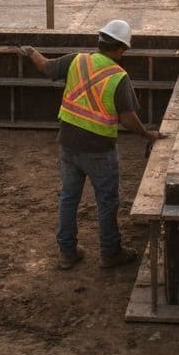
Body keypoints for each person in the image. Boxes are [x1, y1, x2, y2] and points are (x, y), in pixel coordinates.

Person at [20, 19, 162, 269]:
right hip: (99, 150)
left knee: (68, 197)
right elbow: (128, 118)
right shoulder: (119, 76)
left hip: (68, 143)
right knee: (107, 201)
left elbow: (46, 67)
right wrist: (148, 135)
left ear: (100, 41)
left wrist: (32, 51)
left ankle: (67, 252)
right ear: (120, 49)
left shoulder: (77, 60)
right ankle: (110, 252)